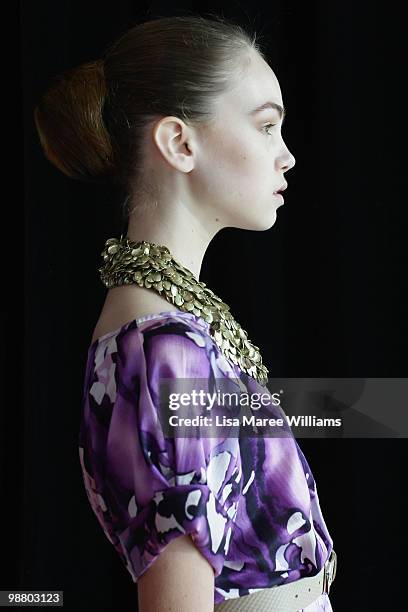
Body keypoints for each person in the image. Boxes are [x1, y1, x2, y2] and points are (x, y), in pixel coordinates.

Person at [33, 14, 337, 612]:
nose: (289, 156)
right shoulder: (162, 350)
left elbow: (340, 409)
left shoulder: (170, 331)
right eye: (267, 126)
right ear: (179, 142)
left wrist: (377, 406)